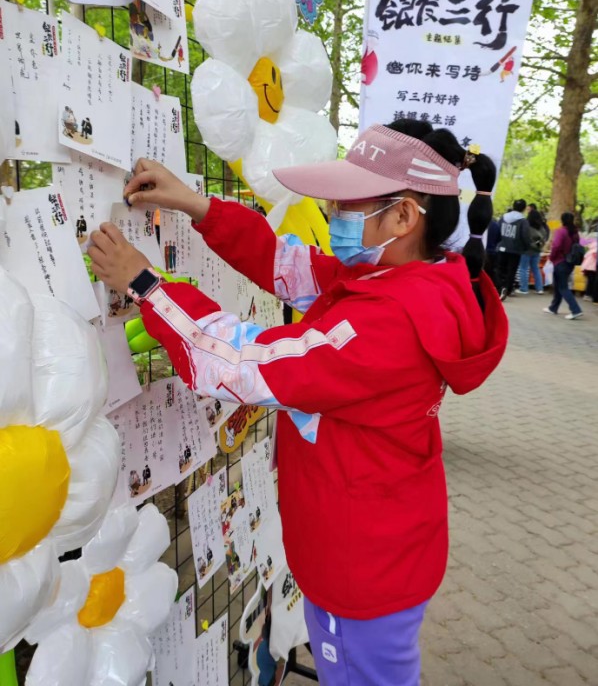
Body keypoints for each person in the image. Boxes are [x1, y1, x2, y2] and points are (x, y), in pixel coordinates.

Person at [88, 120, 508, 686]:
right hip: (382, 543)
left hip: (361, 567)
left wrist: (146, 285)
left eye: (345, 205)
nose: (332, 215)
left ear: (405, 217)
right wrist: (198, 206)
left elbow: (239, 362)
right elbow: (290, 266)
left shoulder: (386, 323)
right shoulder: (408, 278)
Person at [544, 212, 583, 319]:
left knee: (562, 287)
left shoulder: (561, 231)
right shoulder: (575, 233)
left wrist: (551, 257)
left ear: (562, 220)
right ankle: (553, 307)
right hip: (570, 262)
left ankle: (575, 309)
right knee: (559, 285)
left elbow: (556, 246)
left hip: (560, 261)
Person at [496, 199, 530, 300]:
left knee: (500, 269)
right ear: (524, 209)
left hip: (502, 247)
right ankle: (507, 289)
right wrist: (526, 247)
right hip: (515, 250)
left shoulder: (503, 217)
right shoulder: (523, 221)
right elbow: (525, 236)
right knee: (511, 270)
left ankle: (500, 287)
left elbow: (497, 231)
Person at [516, 209, 545, 294]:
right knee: (535, 268)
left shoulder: (527, 226)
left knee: (524, 269)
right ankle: (540, 288)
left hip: (526, 250)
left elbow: (523, 237)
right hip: (537, 250)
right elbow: (544, 238)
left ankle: (524, 288)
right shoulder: (541, 228)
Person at [484, 216, 501, 290]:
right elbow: (499, 239)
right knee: (492, 272)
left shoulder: (479, 223)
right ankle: (496, 288)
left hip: (482, 251)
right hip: (492, 251)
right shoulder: (496, 225)